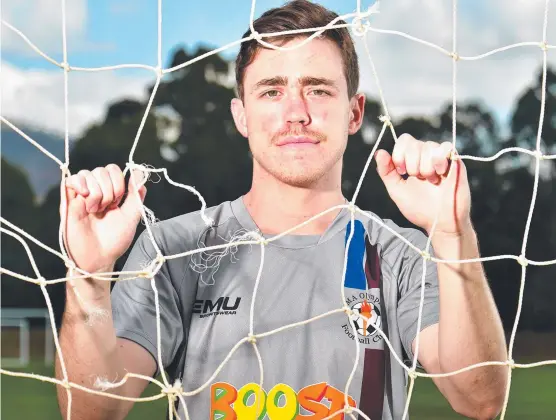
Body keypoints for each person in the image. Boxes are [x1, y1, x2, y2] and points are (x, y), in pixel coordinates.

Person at [55, 1, 508, 419]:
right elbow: (92, 410)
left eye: (318, 90)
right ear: (241, 115)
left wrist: (452, 235)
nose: (296, 112)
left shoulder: (402, 254)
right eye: (272, 91)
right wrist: (90, 276)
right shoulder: (174, 250)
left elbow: (480, 397)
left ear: (354, 113)